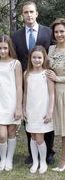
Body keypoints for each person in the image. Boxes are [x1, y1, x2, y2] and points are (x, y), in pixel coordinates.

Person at [12, 1, 55, 165]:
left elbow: (53, 54)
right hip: (25, 79)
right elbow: (15, 59)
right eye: (25, 12)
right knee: (29, 117)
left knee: (45, 116)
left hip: (45, 79)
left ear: (36, 13)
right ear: (22, 15)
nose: (29, 15)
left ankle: (49, 152)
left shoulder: (48, 32)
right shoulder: (16, 35)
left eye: (31, 12)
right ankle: (32, 154)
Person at [0, 35, 23, 171]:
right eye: (0, 48)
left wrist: (18, 107)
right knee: (2, 135)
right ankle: (3, 158)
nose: (3, 51)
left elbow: (18, 86)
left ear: (10, 48)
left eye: (5, 48)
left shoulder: (16, 63)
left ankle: (9, 159)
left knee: (11, 132)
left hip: (12, 102)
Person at [23, 46, 55, 174]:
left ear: (44, 58)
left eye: (39, 57)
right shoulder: (27, 73)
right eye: (34, 57)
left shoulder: (47, 73)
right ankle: (35, 161)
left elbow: (51, 94)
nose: (36, 60)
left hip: (42, 109)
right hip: (31, 110)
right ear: (30, 58)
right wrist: (24, 109)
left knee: (40, 138)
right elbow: (25, 93)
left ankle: (42, 161)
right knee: (32, 136)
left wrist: (50, 111)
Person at [46, 18, 65, 172]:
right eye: (57, 32)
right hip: (52, 92)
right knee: (59, 129)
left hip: (63, 92)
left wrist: (57, 78)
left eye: (62, 31)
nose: (59, 34)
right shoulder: (51, 49)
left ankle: (63, 161)